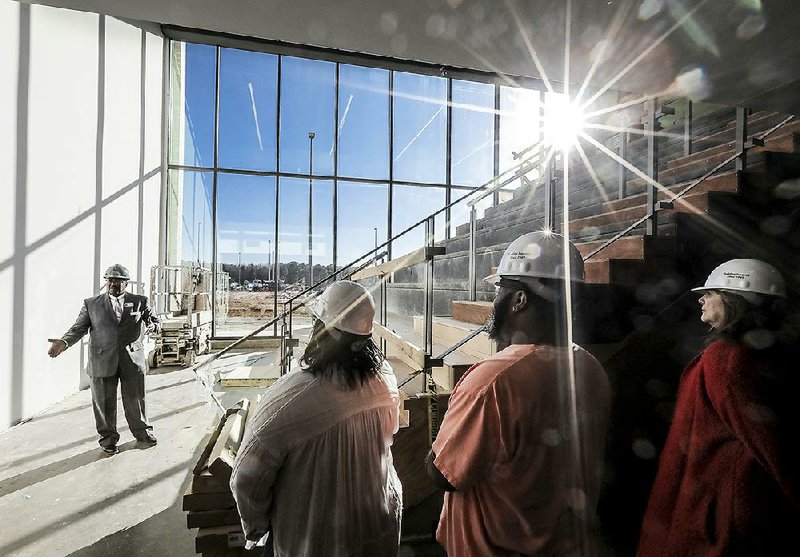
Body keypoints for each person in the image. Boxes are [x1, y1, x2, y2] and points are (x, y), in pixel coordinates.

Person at [426, 231, 611, 556]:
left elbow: (444, 474)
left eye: (500, 290)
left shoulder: (492, 382)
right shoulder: (591, 368)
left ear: (519, 299)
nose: (494, 300)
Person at [638, 259, 800, 556]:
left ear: (735, 300)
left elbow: (771, 444)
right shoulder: (750, 356)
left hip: (720, 523)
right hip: (722, 511)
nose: (701, 298)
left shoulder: (727, 360)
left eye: (711, 292)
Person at [230, 280, 402, 556]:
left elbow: (247, 477)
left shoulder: (291, 396)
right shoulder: (385, 379)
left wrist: (256, 527)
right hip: (378, 529)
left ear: (325, 331)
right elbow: (390, 433)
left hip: (315, 542)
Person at [48, 264, 161, 455]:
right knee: (103, 403)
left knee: (135, 400)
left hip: (131, 360)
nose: (114, 284)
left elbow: (155, 321)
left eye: (118, 281)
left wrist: (154, 327)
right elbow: (78, 328)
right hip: (101, 360)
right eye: (110, 280)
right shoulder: (91, 304)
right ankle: (108, 440)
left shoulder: (140, 301)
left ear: (126, 282)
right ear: (106, 281)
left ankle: (142, 433)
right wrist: (64, 342)